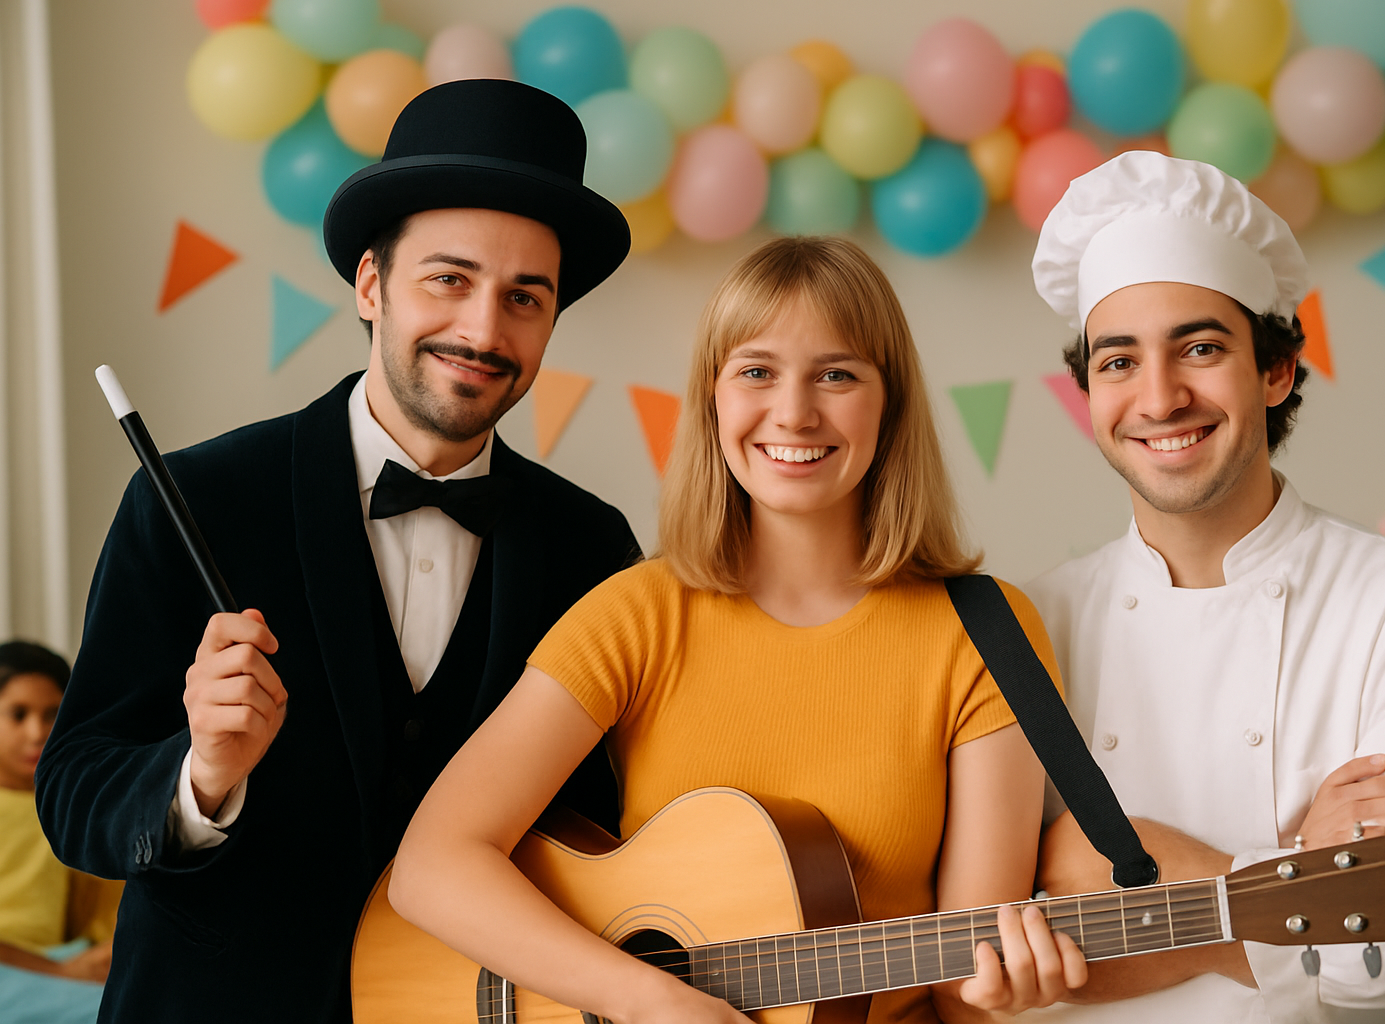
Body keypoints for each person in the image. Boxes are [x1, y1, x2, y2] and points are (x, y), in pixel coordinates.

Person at [35, 79, 640, 1023]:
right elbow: (73, 792)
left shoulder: (595, 547)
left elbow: (607, 828)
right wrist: (199, 775)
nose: (484, 330)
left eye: (525, 296)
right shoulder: (190, 496)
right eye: (450, 278)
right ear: (370, 282)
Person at [390, 236, 1086, 1023]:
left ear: (888, 402)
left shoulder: (986, 632)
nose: (794, 412)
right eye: (756, 371)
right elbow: (433, 867)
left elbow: (965, 992)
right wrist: (648, 998)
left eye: (837, 374)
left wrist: (1006, 992)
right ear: (714, 397)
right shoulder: (638, 612)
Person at [1021, 151, 1385, 1023]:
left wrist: (1137, 896)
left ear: (1273, 371)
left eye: (1199, 348)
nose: (1160, 398)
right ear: (1087, 389)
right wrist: (1300, 878)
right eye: (1119, 361)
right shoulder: (1030, 624)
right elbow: (996, 955)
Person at [0, 641, 121, 1024]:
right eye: (17, 715)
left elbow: (100, 914)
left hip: (58, 963)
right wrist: (59, 974)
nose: (37, 732)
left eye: (52, 714)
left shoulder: (72, 807)